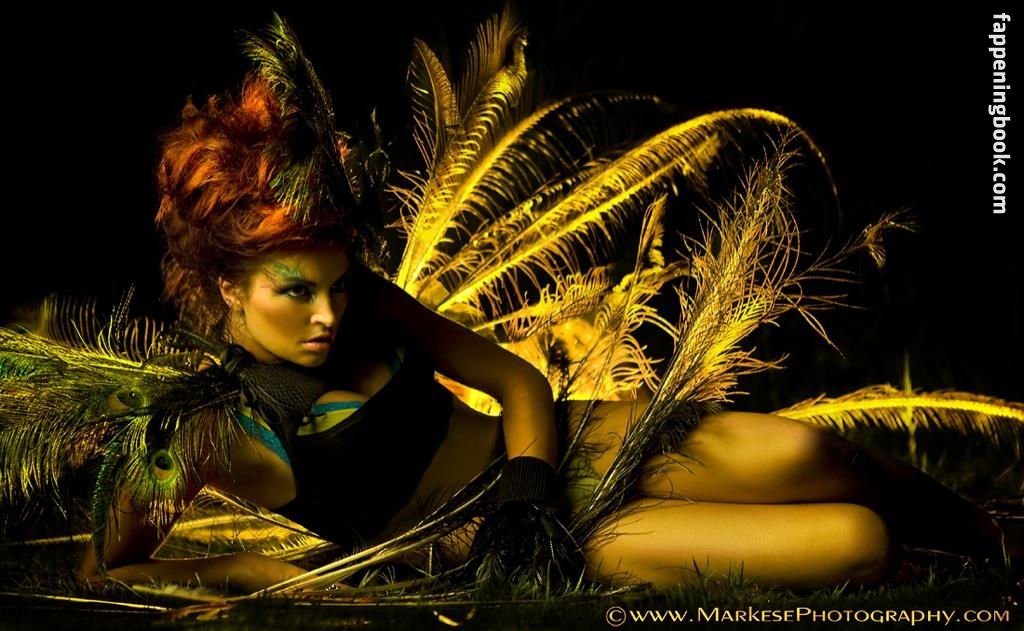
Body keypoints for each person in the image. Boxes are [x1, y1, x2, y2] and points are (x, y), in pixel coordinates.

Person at [70, 54, 1018, 596]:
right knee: (855, 540)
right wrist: (254, 567)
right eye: (294, 291)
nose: (328, 313)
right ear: (226, 284)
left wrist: (529, 481)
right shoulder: (208, 426)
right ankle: (939, 556)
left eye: (337, 284)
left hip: (564, 445)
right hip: (524, 542)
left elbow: (515, 380)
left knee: (812, 454)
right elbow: (108, 568)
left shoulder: (365, 301)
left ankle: (993, 536)